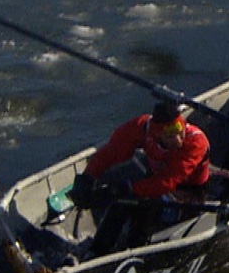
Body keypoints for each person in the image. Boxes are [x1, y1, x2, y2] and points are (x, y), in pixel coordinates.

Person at [68, 100, 211, 257]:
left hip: (188, 197)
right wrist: (87, 178)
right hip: (155, 186)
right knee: (122, 203)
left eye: (178, 129)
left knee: (142, 205)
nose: (177, 139)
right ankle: (97, 252)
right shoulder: (143, 128)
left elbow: (168, 181)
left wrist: (128, 188)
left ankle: (136, 253)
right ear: (156, 134)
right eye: (168, 134)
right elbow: (111, 152)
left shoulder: (196, 142)